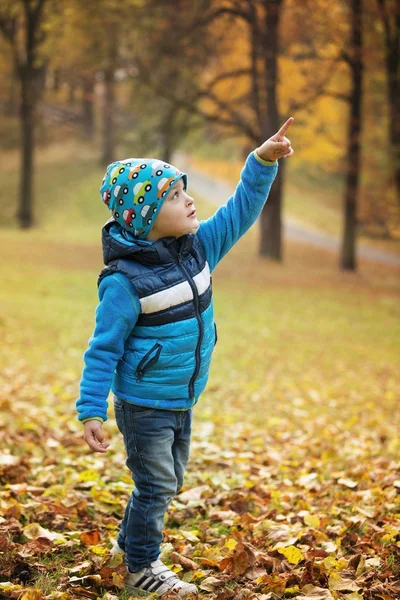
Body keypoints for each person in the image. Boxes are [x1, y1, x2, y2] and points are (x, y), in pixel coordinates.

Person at [76, 117, 294, 598]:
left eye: (184, 190)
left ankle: (125, 547)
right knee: (156, 487)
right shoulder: (124, 282)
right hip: (144, 403)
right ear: (144, 217)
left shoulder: (198, 250)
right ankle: (141, 568)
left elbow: (240, 211)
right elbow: (103, 348)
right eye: (175, 196)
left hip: (181, 396)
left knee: (167, 481)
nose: (190, 199)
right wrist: (91, 409)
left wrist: (260, 162)